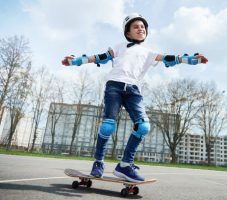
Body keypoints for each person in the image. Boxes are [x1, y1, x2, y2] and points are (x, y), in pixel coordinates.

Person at [61, 13, 208, 182]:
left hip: (134, 90)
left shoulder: (149, 52)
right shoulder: (120, 46)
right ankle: (98, 162)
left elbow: (169, 58)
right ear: (128, 33)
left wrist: (191, 60)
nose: (141, 29)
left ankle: (124, 165)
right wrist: (77, 60)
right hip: (114, 86)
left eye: (143, 27)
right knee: (108, 126)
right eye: (136, 26)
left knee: (143, 126)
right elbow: (101, 57)